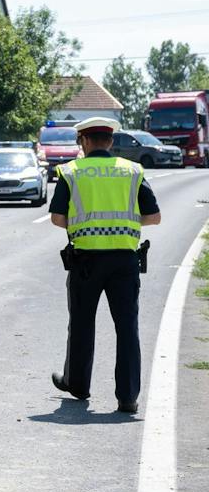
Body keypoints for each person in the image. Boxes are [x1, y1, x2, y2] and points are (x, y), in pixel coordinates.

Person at [48, 116, 160, 413]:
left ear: (83, 141)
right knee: (127, 327)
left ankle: (78, 385)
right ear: (110, 141)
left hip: (86, 261)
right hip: (125, 260)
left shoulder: (71, 172)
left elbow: (58, 218)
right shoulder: (132, 171)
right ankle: (128, 397)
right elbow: (154, 216)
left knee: (82, 324)